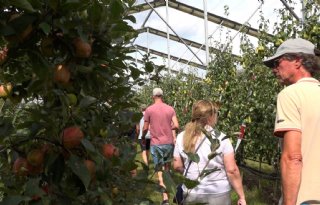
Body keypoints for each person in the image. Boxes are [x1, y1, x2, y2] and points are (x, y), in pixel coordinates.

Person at [263, 38, 320, 205]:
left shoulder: (291, 94)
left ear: (297, 61)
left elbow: (293, 157)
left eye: (277, 62)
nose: (274, 69)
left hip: (307, 198)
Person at [173, 100, 246, 205]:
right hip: (218, 194)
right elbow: (232, 170)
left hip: (191, 192)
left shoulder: (181, 137)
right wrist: (241, 197)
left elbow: (177, 166)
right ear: (211, 117)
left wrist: (192, 174)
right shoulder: (221, 138)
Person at [142, 87, 179, 205]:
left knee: (159, 170)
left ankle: (165, 199)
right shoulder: (170, 109)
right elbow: (177, 125)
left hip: (156, 144)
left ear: (153, 97)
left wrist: (143, 136)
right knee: (167, 170)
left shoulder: (149, 110)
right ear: (162, 96)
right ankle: (175, 192)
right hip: (168, 143)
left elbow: (145, 128)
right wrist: (168, 127)